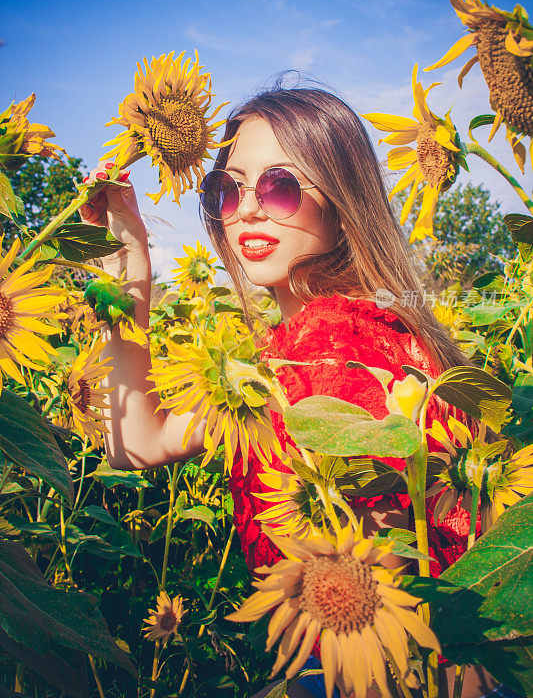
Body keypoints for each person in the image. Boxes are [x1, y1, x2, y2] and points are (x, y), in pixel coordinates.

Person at [80, 85, 502, 698]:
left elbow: (391, 581)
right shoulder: (297, 352)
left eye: (278, 185)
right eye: (227, 189)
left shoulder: (346, 345)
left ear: (341, 201)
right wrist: (132, 265)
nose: (247, 209)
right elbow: (138, 442)